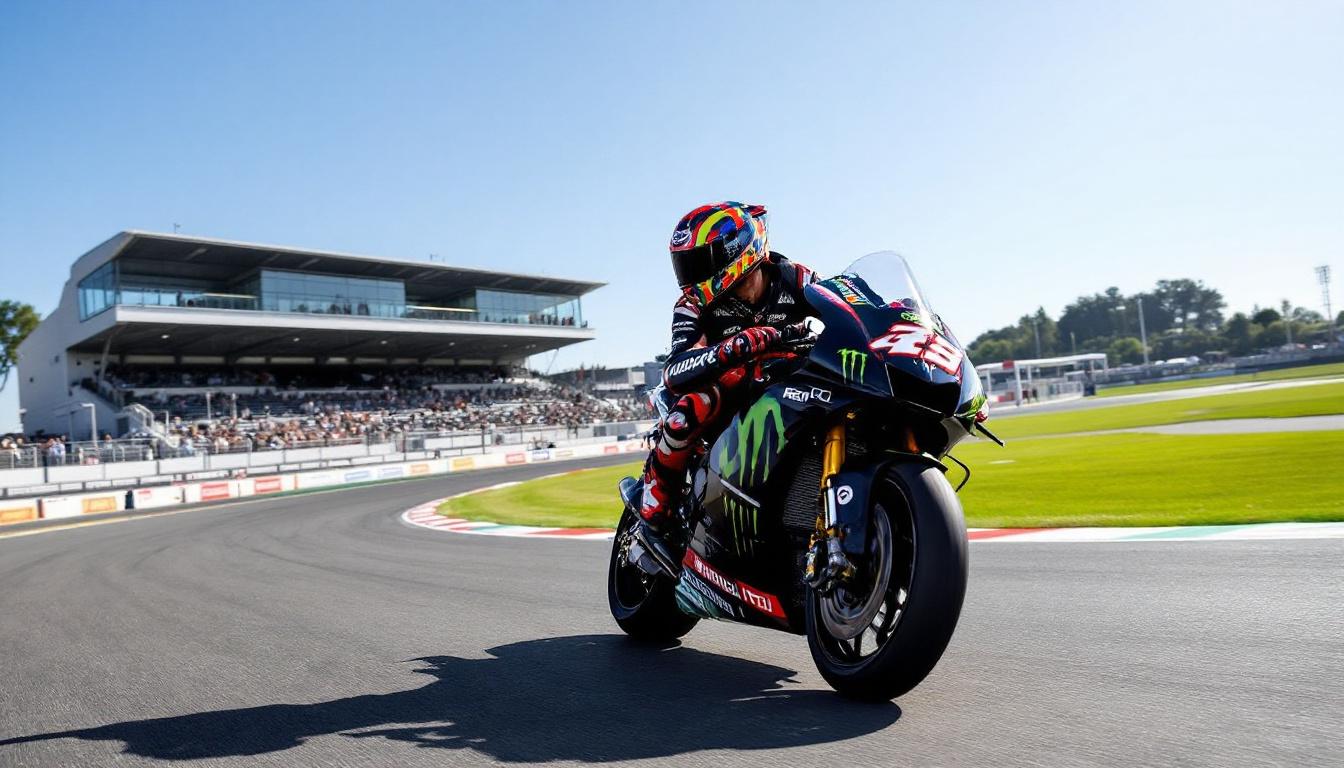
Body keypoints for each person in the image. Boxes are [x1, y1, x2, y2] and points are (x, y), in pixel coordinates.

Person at [637, 201, 817, 552]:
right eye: (684, 265)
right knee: (685, 415)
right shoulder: (692, 305)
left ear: (737, 250)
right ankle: (654, 511)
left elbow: (843, 304)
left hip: (791, 377)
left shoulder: (793, 276)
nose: (690, 275)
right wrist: (733, 347)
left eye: (699, 262)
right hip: (728, 386)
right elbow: (676, 370)